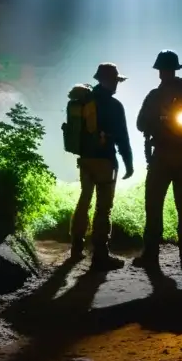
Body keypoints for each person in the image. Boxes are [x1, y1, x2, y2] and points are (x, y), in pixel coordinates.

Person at [133, 50, 182, 269]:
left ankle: (151, 255)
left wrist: (158, 124)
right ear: (175, 69)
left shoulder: (154, 96)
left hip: (161, 157)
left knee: (154, 205)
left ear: (160, 72)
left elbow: (140, 125)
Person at [69, 62, 135, 272]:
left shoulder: (85, 100)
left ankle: (76, 248)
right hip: (105, 161)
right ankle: (100, 254)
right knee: (103, 208)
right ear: (110, 80)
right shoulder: (114, 105)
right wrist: (129, 164)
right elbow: (123, 138)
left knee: (84, 200)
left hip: (85, 159)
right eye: (115, 81)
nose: (116, 85)